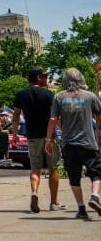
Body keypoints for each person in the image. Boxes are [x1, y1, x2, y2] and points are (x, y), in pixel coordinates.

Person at [44, 67, 101, 220]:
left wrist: (48, 139)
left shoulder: (59, 97)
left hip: (68, 144)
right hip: (88, 142)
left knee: (74, 177)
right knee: (97, 173)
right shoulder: (90, 97)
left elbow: (52, 119)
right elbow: (99, 114)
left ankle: (81, 208)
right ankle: (95, 196)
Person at [13, 67, 63, 213]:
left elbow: (16, 115)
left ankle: (34, 192)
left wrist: (15, 133)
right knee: (53, 168)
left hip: (32, 136)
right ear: (38, 78)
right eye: (45, 77)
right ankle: (54, 203)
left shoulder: (21, 94)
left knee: (35, 168)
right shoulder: (48, 94)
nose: (46, 79)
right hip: (49, 137)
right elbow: (55, 117)